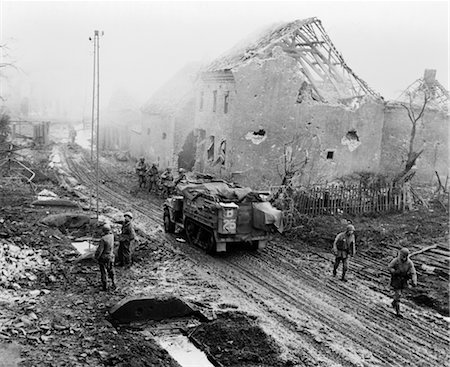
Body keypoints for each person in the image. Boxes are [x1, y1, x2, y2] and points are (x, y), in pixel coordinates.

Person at [388, 247, 417, 317]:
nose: (402, 257)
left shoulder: (409, 263)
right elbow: (389, 267)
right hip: (396, 279)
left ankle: (394, 302)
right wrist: (394, 272)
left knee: (399, 294)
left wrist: (414, 280)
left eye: (404, 256)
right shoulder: (396, 261)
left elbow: (413, 272)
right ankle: (398, 312)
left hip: (403, 280)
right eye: (401, 255)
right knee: (398, 294)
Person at [94, 223, 116, 291]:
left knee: (103, 272)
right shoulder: (112, 236)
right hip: (111, 256)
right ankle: (114, 283)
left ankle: (105, 286)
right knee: (111, 270)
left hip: (104, 257)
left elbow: (100, 250)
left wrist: (96, 257)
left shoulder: (103, 239)